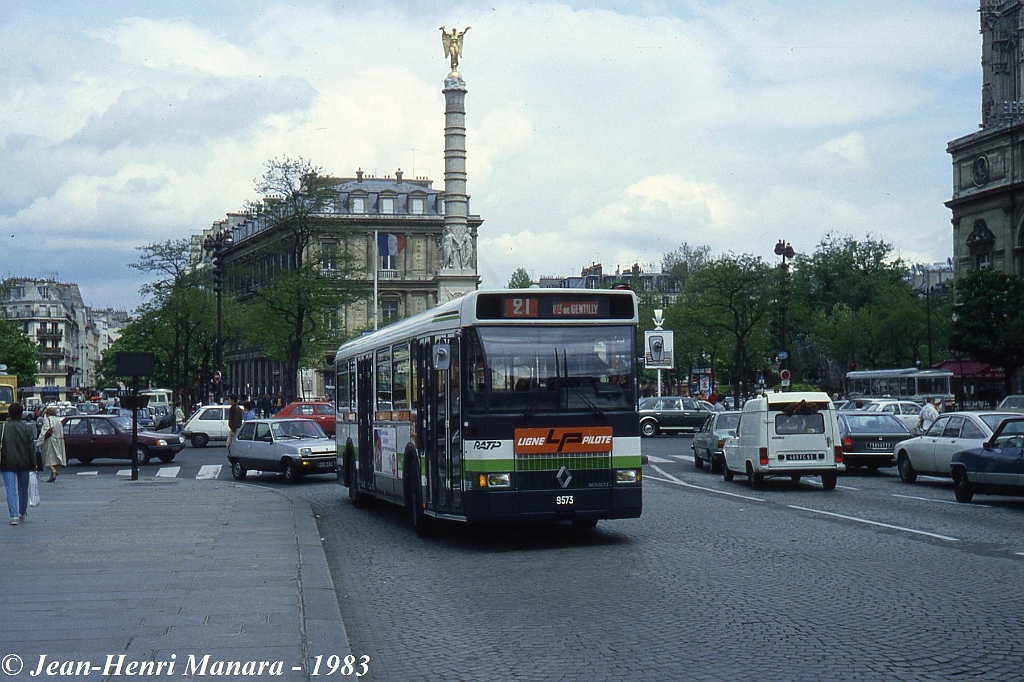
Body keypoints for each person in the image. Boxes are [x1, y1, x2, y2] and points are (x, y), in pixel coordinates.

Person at [2, 403, 38, 525]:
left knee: (10, 489)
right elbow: (31, 448)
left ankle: (14, 516)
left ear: (9, 413)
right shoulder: (27, 428)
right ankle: (22, 512)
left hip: (7, 462)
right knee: (23, 488)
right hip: (24, 462)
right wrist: (34, 463)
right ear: (21, 413)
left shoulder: (3, 428)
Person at [36, 405, 66, 482]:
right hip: (59, 440)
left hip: (50, 440)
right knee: (55, 458)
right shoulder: (58, 420)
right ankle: (52, 475)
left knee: (47, 457)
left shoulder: (47, 420)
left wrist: (39, 442)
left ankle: (53, 471)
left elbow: (44, 431)